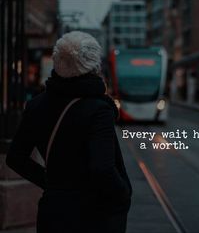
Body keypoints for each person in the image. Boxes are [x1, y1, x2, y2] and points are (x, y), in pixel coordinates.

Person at [6, 31, 132, 233]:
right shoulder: (98, 110)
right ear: (93, 66)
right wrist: (123, 194)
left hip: (52, 213)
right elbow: (103, 169)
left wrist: (52, 183)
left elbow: (15, 157)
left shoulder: (36, 105)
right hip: (91, 216)